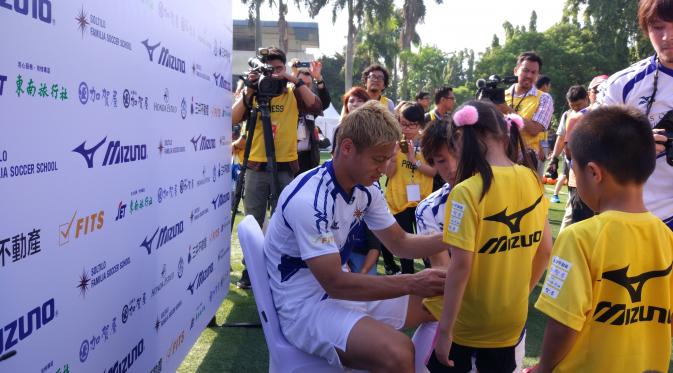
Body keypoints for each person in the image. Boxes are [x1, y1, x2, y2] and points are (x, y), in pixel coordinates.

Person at [264, 100, 449, 371]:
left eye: (388, 159)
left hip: (342, 292)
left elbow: (400, 243)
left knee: (446, 304)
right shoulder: (309, 200)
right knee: (398, 352)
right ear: (347, 147)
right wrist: (412, 282)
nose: (385, 169)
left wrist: (459, 234)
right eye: (378, 159)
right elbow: (335, 284)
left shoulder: (366, 188)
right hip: (305, 308)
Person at [531, 106, 673, 372]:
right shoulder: (667, 236)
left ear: (594, 173)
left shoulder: (579, 237)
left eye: (574, 167)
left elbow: (564, 324)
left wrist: (543, 367)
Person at [428, 101, 553, 372]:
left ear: (461, 137)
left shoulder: (466, 192)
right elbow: (545, 250)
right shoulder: (532, 178)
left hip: (471, 327)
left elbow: (460, 267)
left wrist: (446, 331)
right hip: (513, 320)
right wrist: (521, 293)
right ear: (504, 133)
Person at [598, 0, 673, 231]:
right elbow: (587, 145)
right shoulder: (623, 85)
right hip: (638, 218)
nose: (667, 37)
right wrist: (635, 143)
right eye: (658, 27)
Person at [381, 102, 436, 274]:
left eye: (411, 125)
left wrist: (414, 161)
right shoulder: (394, 142)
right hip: (399, 201)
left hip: (422, 202)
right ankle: (407, 279)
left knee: (427, 245)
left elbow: (433, 172)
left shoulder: (428, 142)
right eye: (402, 123)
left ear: (419, 124)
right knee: (405, 246)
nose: (406, 129)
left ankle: (432, 277)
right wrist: (392, 155)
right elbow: (389, 174)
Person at [500, 52, 555, 177]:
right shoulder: (501, 96)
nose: (529, 76)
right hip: (498, 161)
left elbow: (535, 129)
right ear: (516, 70)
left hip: (525, 162)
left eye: (534, 72)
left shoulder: (544, 99)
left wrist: (505, 109)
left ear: (537, 75)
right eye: (525, 70)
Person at [415, 119, 457, 269]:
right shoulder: (428, 210)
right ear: (432, 162)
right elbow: (442, 268)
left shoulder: (495, 193)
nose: (451, 168)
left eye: (457, 155)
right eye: (441, 160)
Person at [548, 85, 590, 204]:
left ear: (586, 98)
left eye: (579, 105)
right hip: (572, 164)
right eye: (572, 106)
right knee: (575, 200)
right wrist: (554, 158)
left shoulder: (595, 114)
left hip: (589, 165)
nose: (576, 109)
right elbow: (561, 138)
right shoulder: (567, 115)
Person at [293, 62, 332, 174]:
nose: (303, 88)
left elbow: (325, 102)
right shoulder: (286, 100)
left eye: (307, 85)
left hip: (308, 158)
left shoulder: (312, 104)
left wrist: (319, 78)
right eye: (300, 83)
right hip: (287, 159)